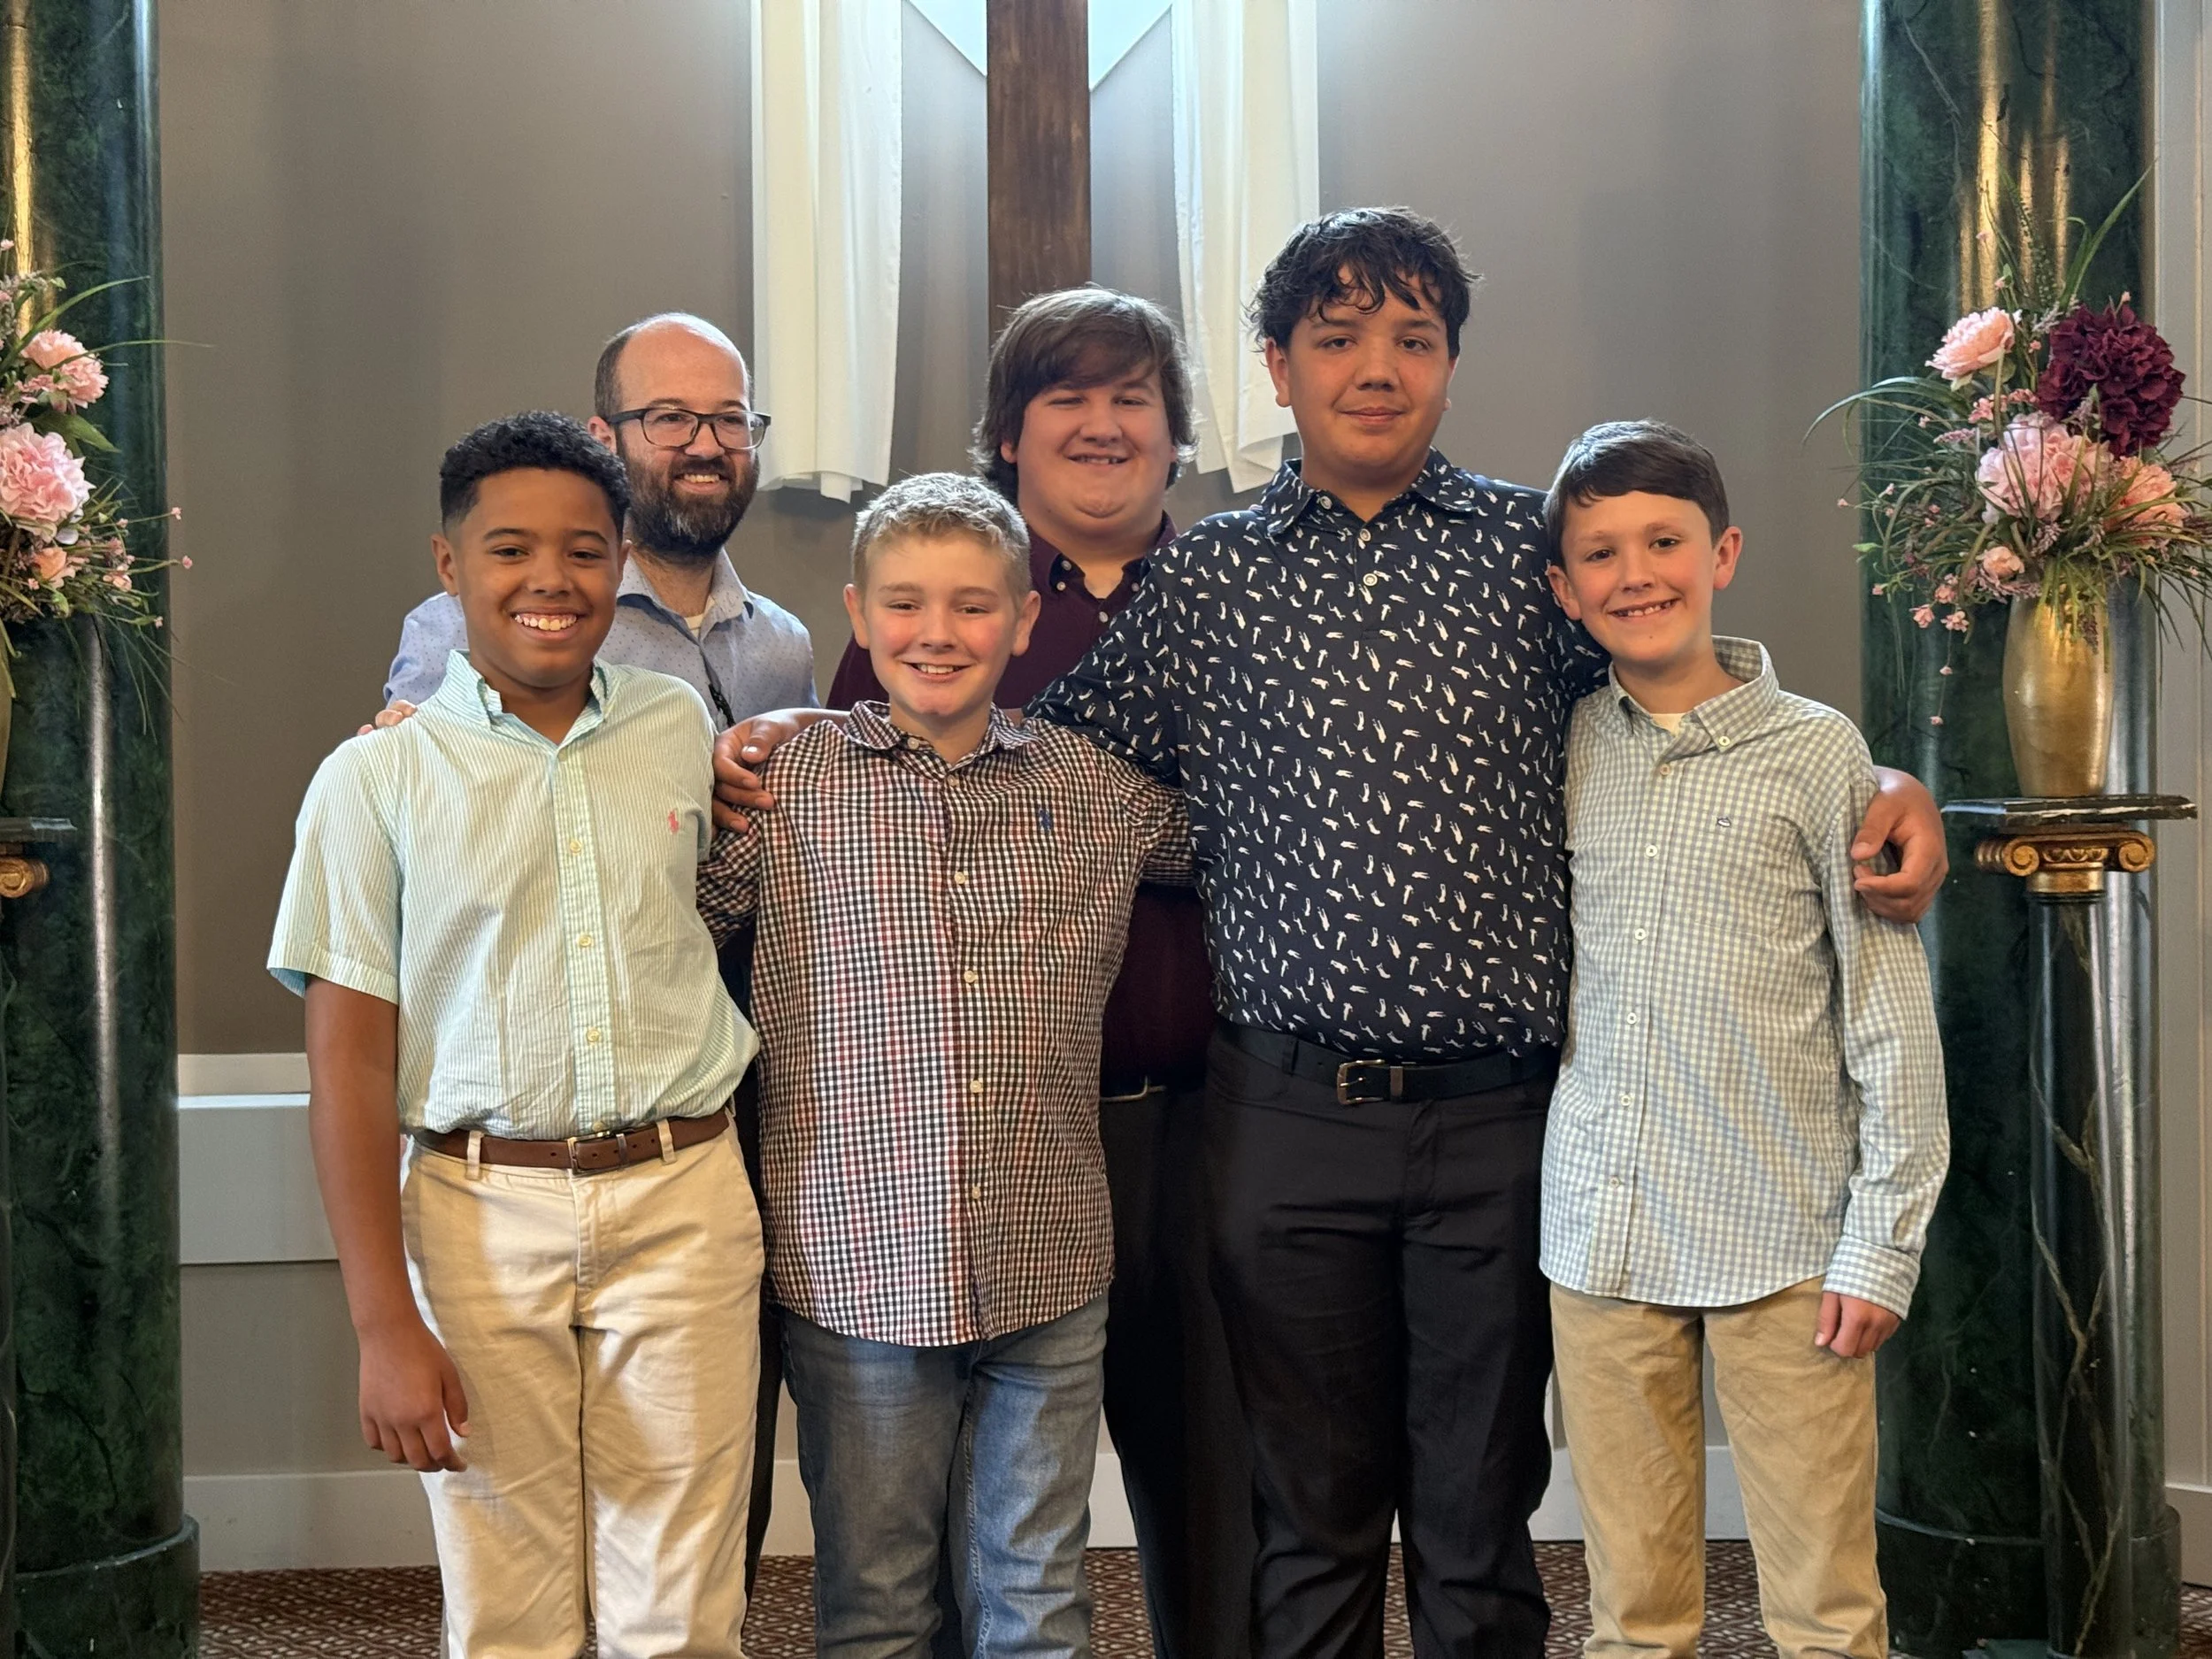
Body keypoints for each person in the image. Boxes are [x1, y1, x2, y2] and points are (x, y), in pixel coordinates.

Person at [712, 211, 1948, 1656]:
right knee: (1306, 1513)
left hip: (1504, 1122)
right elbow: (1006, 761)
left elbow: (1673, 680)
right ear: (1278, 370)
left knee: (1484, 1516)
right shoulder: (1211, 581)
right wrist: (795, 744)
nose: (1377, 367)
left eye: (1412, 338)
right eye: (1338, 337)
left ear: (1447, 366)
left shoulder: (1525, 556)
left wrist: (1871, 776)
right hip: (1285, 1115)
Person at [271, 411, 764, 1657]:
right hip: (481, 1213)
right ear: (450, 567)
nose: (552, 579)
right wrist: (386, 1323)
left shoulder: (671, 730)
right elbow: (348, 1066)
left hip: (684, 1195)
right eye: (511, 550)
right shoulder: (372, 782)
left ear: (621, 566)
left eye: (587, 551)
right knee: (508, 1605)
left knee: (684, 1601)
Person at [695, 472, 1193, 1658]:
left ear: (1022, 622)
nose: (938, 633)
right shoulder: (786, 782)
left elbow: (1254, 844)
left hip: (1051, 1254)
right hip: (857, 1264)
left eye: (974, 606)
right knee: (878, 1601)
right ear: (860, 616)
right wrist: (714, 779)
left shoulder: (1093, 790)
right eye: (907, 605)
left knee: (1041, 1598)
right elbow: (684, 931)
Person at [826, 285, 1252, 1659]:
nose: (1103, 422)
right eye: (1066, 394)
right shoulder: (941, 619)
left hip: (1208, 1120)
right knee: (956, 1518)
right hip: (979, 1137)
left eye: (1134, 395)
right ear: (1008, 432)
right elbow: (831, 827)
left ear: (1176, 431)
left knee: (1215, 1480)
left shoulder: (1242, 597)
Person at [375, 311, 814, 1586]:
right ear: (604, 435)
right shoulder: (500, 608)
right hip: (532, 1123)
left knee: (696, 1499)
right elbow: (423, 795)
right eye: (669, 417)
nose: (702, 444)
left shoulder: (780, 639)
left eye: (728, 419)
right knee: (527, 1537)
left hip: (727, 1104)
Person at [1538, 419, 1947, 1659]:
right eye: (1599, 553)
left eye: (1662, 540)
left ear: (1722, 552)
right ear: (1564, 589)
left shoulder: (1824, 758)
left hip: (1787, 1242)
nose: (1634, 573)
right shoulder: (1556, 748)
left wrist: (1882, 1243)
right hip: (1603, 1235)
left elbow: (1887, 1013)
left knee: (1825, 1603)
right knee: (1632, 1608)